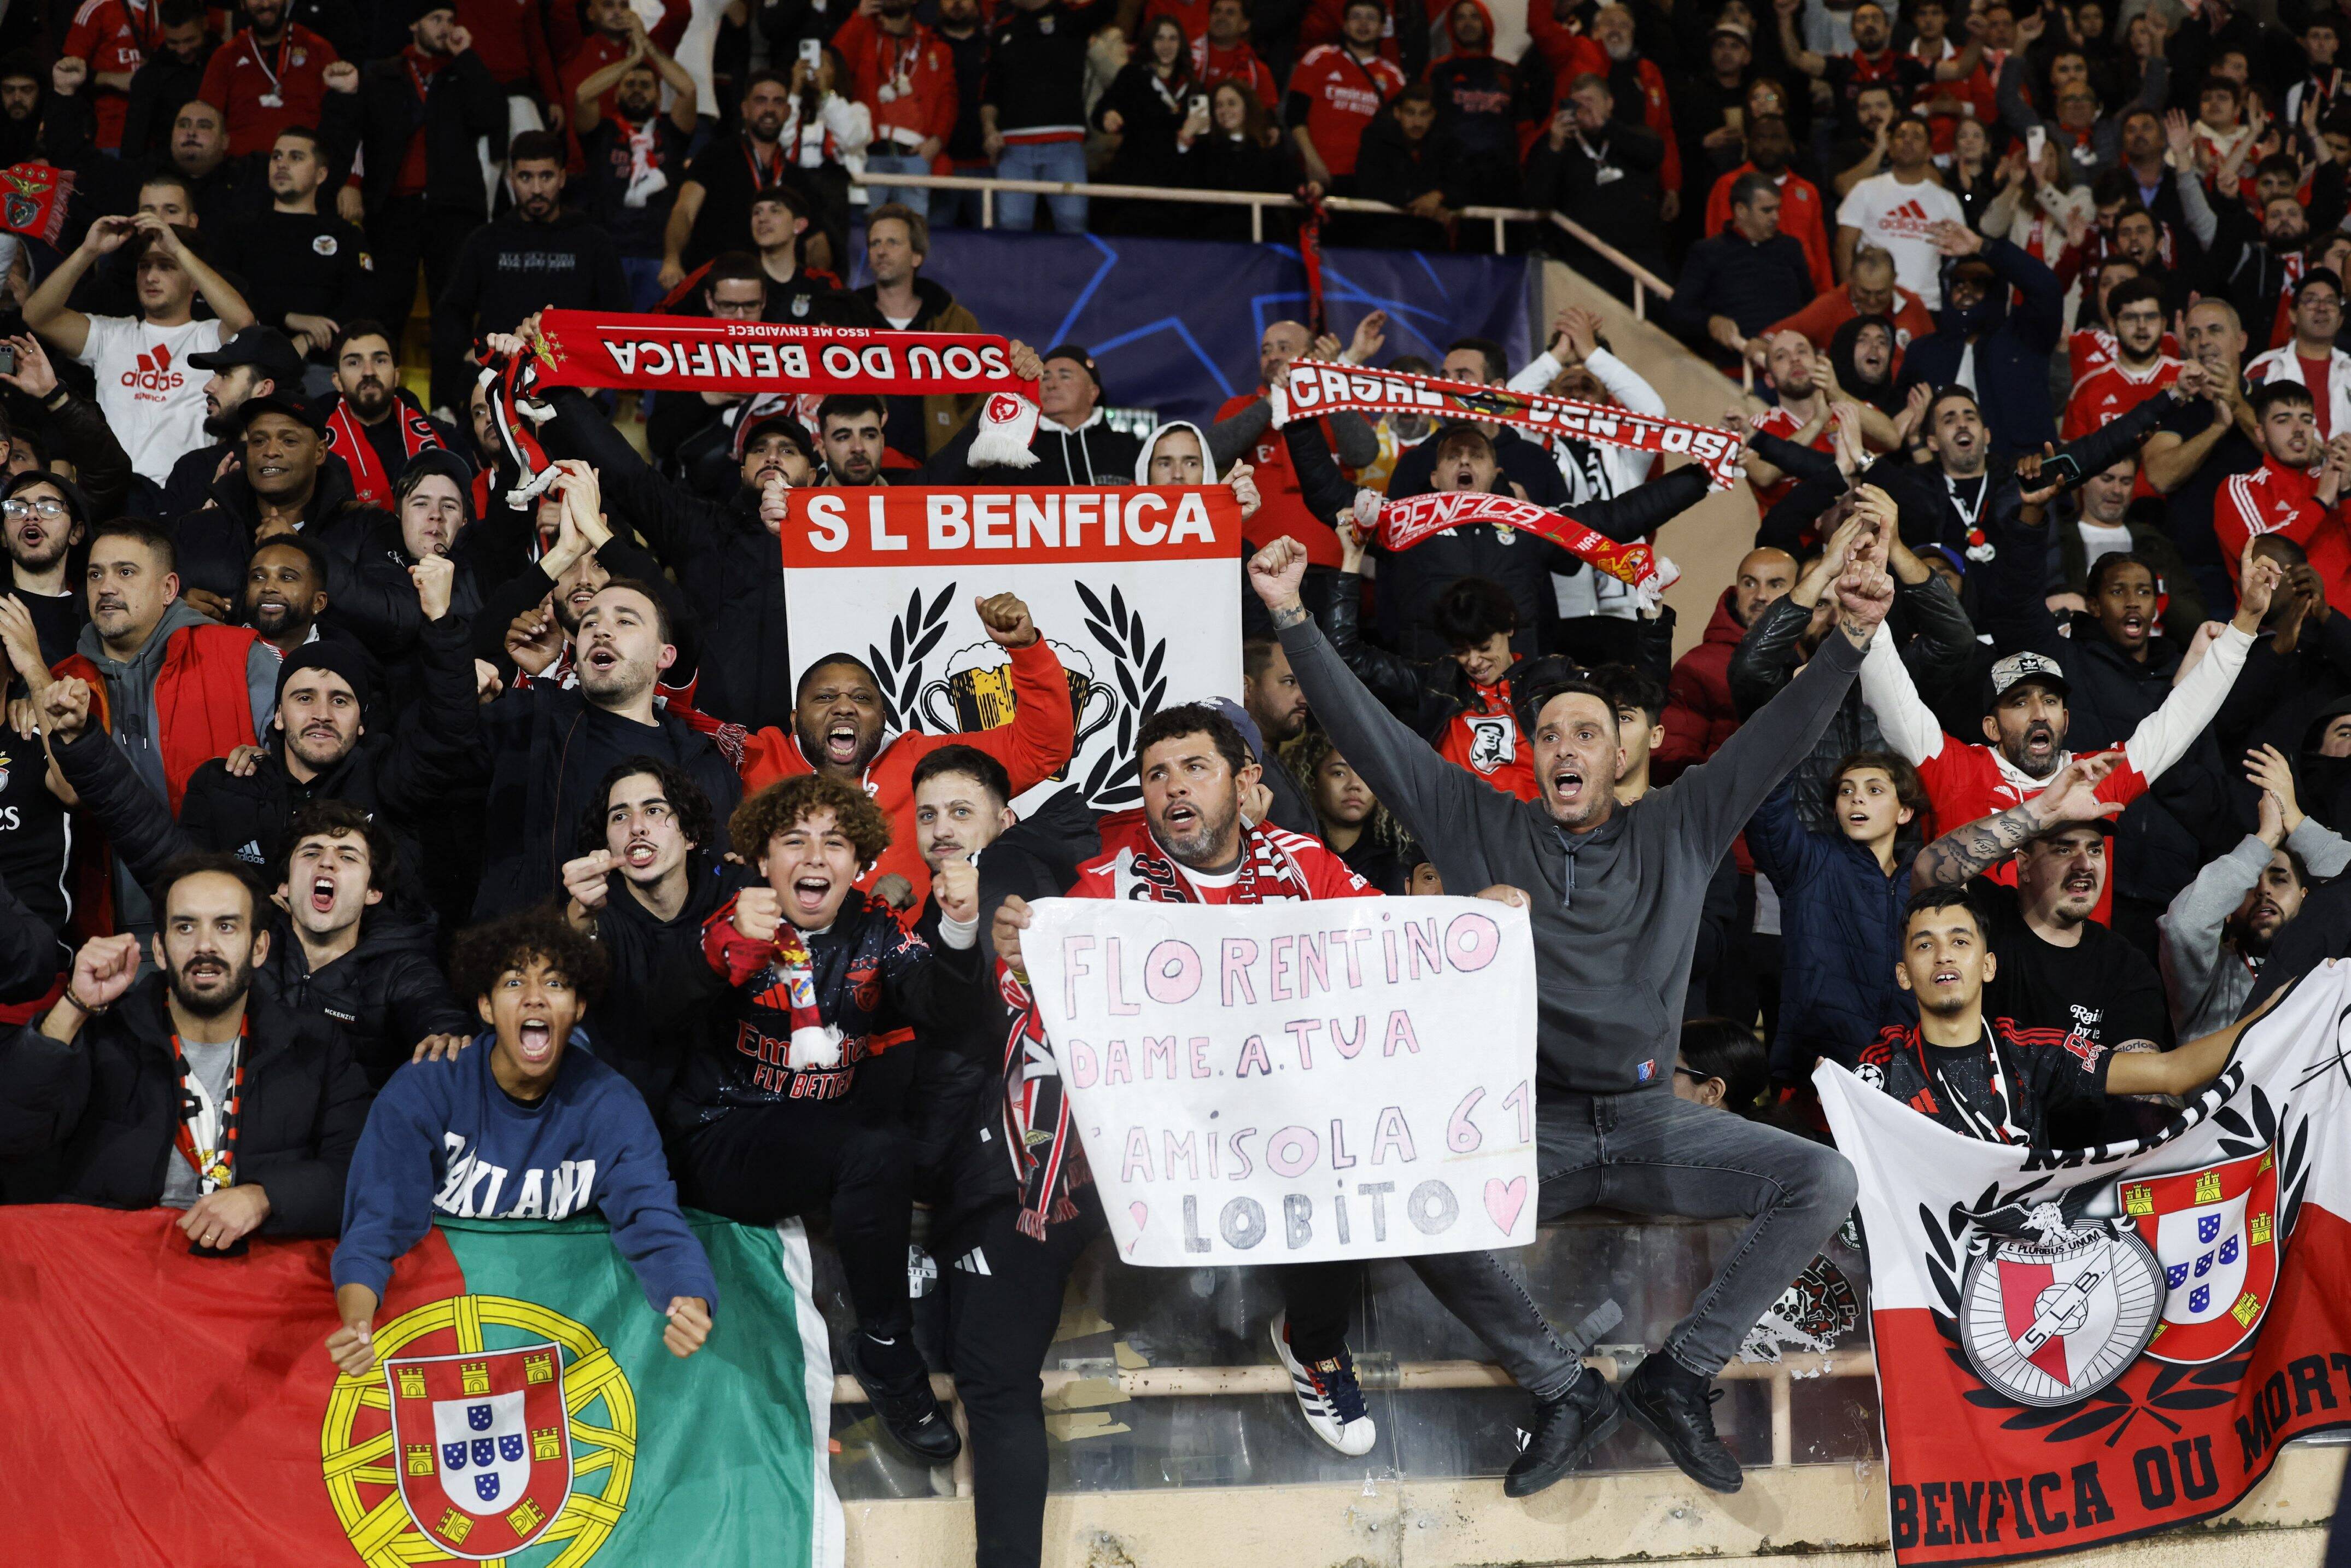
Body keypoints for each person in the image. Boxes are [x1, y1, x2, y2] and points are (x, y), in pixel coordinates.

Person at [1251, 515, 1890, 1494]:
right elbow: (1371, 740)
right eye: (1548, 732)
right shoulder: (1478, 821)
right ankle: (1564, 1388)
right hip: (1526, 1132)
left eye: (1585, 731)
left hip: (1651, 1124)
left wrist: (1849, 638)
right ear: (1530, 751)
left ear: (1624, 747)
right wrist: (1294, 614)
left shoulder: (1679, 825)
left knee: (1825, 1181)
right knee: (1413, 1212)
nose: (1565, 746)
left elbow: (1774, 741)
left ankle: (1680, 1376)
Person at [987, 704, 1602, 1531]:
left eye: (1194, 769)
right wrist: (1025, 952)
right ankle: (1017, 1390)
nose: (1173, 789)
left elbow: (1386, 944)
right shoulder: (1105, 889)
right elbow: (1059, 1006)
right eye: (1157, 774)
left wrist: (1469, 921)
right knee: (1040, 1208)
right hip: (1164, 1134)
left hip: (1280, 1121)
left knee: (1348, 1163)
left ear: (1245, 783)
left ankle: (1312, 1343)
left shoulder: (1300, 859)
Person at [669, 774, 984, 1461]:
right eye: (794, 841)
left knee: (882, 1141)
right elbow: (654, 1015)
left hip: (822, 1145)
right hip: (723, 1140)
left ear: (859, 864)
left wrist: (960, 929)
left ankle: (881, 1345)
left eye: (834, 844)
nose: (815, 858)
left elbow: (943, 1011)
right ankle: (887, 1348)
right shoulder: (723, 914)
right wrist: (723, 951)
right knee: (871, 1146)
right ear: (761, 859)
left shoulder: (877, 930)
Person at [325, 906, 718, 1378]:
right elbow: (375, 1225)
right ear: (486, 1007)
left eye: (554, 984)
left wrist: (691, 1299)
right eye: (514, 983)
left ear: (578, 1008)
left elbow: (652, 1221)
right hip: (443, 1336)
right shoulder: (426, 1089)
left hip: (557, 1349)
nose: (534, 999)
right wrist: (357, 1324)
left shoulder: (612, 1105)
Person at [42, 559, 480, 917]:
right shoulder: (226, 785)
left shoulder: (388, 781)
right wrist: (82, 741)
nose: (322, 715)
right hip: (257, 991)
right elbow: (149, 840)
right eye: (304, 698)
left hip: (369, 997)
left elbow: (447, 734)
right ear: (279, 718)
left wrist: (441, 622)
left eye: (341, 702)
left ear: (363, 723)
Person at [0, 855, 366, 1236]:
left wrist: (265, 1197)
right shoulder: (104, 1033)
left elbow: (358, 1172)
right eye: (186, 927)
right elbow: (12, 1135)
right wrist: (76, 1005)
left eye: (226, 926)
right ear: (159, 949)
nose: (204, 946)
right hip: (118, 1269)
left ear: (259, 948)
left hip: (255, 1267)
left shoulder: (316, 1046)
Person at [1867, 884, 2279, 1146]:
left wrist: (2273, 1011)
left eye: (1960, 941)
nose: (1943, 956)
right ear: (1903, 975)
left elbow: (2170, 1073)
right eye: (1924, 946)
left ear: (1989, 966)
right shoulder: (1880, 1066)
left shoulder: (2033, 1052)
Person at [735, 590, 1072, 905]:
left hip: (917, 959)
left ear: (882, 717)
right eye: (825, 697)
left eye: (861, 698)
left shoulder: (927, 764)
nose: (844, 707)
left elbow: (1040, 748)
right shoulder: (755, 758)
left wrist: (1027, 651)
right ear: (795, 720)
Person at [478, 549, 742, 918]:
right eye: (589, 624)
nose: (601, 630)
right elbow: (419, 777)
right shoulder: (526, 723)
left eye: (625, 622)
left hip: (649, 970)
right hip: (534, 961)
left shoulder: (707, 768)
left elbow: (713, 889)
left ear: (664, 656)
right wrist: (462, 693)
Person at [24, 213, 255, 490]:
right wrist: (89, 251)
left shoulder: (210, 335)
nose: (151, 277)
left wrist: (179, 250)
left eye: (166, 266)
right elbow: (38, 316)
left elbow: (245, 325)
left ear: (194, 280)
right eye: (144, 267)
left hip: (182, 491)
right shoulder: (111, 334)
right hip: (113, 493)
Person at [318, 0, 505, 334]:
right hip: (393, 210)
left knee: (453, 310)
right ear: (414, 25)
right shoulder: (382, 74)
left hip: (453, 209)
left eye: (450, 19)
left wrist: (467, 57)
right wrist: (352, 182)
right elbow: (352, 133)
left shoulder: (463, 72)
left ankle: (455, 389)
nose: (446, 27)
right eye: (436, 18)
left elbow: (491, 117)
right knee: (386, 308)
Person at [560, 757, 736, 1107]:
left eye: (654, 810)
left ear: (691, 835)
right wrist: (578, 918)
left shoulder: (732, 892)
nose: (637, 827)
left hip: (724, 1109)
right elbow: (556, 964)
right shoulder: (595, 907)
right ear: (607, 843)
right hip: (622, 1109)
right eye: (620, 816)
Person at [1748, 748, 1926, 1072]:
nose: (1856, 799)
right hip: (1818, 1069)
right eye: (1847, 791)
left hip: (1906, 1074)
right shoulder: (1810, 861)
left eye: (1874, 790)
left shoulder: (1923, 884)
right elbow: (1766, 805)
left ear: (1905, 812)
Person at [433, 130, 629, 418]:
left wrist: (595, 376)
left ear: (562, 178)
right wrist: (470, 353)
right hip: (496, 380)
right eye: (526, 178)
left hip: (572, 384)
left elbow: (618, 316)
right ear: (511, 178)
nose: (536, 189)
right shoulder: (485, 241)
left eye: (546, 177)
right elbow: (451, 312)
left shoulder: (593, 241)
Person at [2159, 745, 2346, 1037]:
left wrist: (2295, 821)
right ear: (2228, 912)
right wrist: (2266, 837)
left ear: (2305, 898)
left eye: (2280, 879)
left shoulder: (2328, 970)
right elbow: (2185, 926)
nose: (2264, 892)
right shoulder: (2209, 977)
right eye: (2248, 884)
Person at [1893, 222, 2065, 454]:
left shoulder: (2026, 335)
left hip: (2021, 473)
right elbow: (1897, 419)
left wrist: (1982, 247)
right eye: (1959, 283)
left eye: (1978, 283)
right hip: (1944, 477)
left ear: (1996, 290)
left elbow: (2047, 288)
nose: (1966, 290)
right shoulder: (1923, 352)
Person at [208, 126, 370, 364]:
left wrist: (308, 339)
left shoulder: (345, 235)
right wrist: (287, 318)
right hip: (250, 359)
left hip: (323, 363)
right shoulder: (239, 230)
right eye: (277, 156)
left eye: (296, 157)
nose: (282, 164)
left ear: (321, 174)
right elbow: (223, 293)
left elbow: (362, 302)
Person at [852, 205, 984, 459]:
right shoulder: (847, 318)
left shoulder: (955, 321)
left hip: (938, 472)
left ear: (917, 256)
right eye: (874, 243)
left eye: (893, 242)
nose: (881, 251)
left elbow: (979, 399)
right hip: (863, 471)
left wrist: (958, 452)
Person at [575, 43, 698, 312]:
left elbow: (688, 90)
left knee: (653, 341)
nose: (638, 90)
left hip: (659, 258)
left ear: (658, 97)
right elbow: (583, 96)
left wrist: (649, 51)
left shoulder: (671, 133)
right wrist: (630, 62)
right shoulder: (602, 133)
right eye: (629, 85)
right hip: (607, 256)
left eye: (646, 85)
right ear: (616, 94)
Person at [1657, 547, 1797, 779]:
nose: (1761, 595)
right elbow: (1671, 757)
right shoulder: (1698, 665)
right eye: (1750, 583)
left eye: (1776, 584)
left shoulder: (1816, 656)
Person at [2214, 381, 2351, 613]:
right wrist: (2320, 502)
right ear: (2260, 433)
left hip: (2343, 631)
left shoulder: (2334, 480)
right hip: (2277, 636)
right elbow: (2261, 560)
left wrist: (2347, 493)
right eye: (2283, 420)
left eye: (2307, 419)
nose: (2299, 428)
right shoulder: (2240, 488)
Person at [1525, 74, 1667, 282]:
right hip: (1583, 259)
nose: (1585, 110)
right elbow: (1537, 200)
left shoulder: (1634, 134)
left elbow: (1652, 155)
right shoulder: (1558, 145)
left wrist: (1607, 127)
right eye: (1577, 104)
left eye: (1590, 102)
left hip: (1637, 256)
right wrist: (1554, 148)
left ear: (1609, 103)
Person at [1672, 171, 1820, 366]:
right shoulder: (1708, 252)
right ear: (1741, 210)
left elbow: (1809, 309)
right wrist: (1710, 321)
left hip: (1792, 369)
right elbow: (1678, 312)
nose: (1776, 217)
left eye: (1778, 209)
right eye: (1767, 211)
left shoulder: (1790, 248)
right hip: (1737, 372)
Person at [663, 70, 791, 286]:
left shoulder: (795, 174)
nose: (769, 109)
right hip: (714, 282)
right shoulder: (714, 156)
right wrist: (672, 259)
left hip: (772, 290)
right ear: (745, 109)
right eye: (761, 101)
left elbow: (815, 239)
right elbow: (684, 210)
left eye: (778, 102)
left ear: (787, 111)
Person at [163, 324, 306, 518]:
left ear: (263, 389)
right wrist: (207, 521)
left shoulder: (313, 467)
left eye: (225, 375)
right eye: (215, 375)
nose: (208, 387)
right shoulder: (192, 469)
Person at [833, 0, 956, 217]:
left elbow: (949, 100)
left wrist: (937, 141)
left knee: (914, 232)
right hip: (870, 152)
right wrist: (859, 17)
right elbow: (836, 65)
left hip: (917, 155)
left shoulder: (936, 47)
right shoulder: (865, 36)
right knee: (867, 232)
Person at [317, 321, 455, 511]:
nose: (369, 372)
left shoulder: (443, 437)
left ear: (397, 376)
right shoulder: (315, 448)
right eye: (354, 363)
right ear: (337, 381)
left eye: (380, 360)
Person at [1834, 116, 1967, 309]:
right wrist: (1850, 297)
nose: (1908, 141)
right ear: (1889, 146)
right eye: (1901, 136)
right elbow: (1844, 245)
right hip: (1873, 303)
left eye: (1917, 137)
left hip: (1927, 305)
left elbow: (1959, 256)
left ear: (1930, 152)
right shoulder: (1865, 189)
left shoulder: (1946, 200)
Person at [981, 0, 1090, 233]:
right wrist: (990, 130)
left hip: (1065, 143)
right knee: (1012, 233)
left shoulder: (1073, 16)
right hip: (1013, 149)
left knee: (1073, 229)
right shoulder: (1002, 28)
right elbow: (991, 94)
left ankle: (1075, 272)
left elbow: (1108, 7)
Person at [1286, 0, 1405, 192]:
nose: (1363, 24)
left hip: (1367, 181)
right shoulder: (1318, 58)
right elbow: (1294, 116)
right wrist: (1312, 160)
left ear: (1383, 28)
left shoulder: (1394, 77)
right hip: (1317, 176)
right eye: (1356, 17)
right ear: (1344, 24)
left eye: (1371, 18)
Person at [196, 0, 338, 157]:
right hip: (240, 172)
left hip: (304, 171)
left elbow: (342, 121)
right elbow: (206, 121)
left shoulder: (319, 49)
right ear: (242, 4)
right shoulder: (225, 57)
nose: (265, 4)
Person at [2245, 270, 2351, 444]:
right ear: (2293, 314)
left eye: (2331, 302)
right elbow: (2248, 426)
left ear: (2340, 319)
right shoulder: (2265, 367)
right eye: (2311, 300)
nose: (2322, 308)